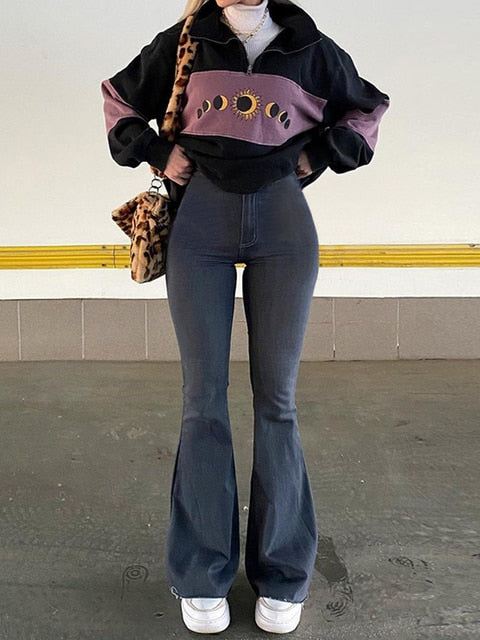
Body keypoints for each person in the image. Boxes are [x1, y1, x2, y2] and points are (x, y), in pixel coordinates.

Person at [101, 0, 389, 633]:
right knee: (202, 399)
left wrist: (318, 156)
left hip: (284, 224)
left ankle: (283, 573)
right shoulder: (186, 39)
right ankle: (201, 572)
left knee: (277, 402)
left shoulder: (308, 45)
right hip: (199, 222)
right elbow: (119, 100)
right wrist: (158, 152)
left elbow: (367, 108)